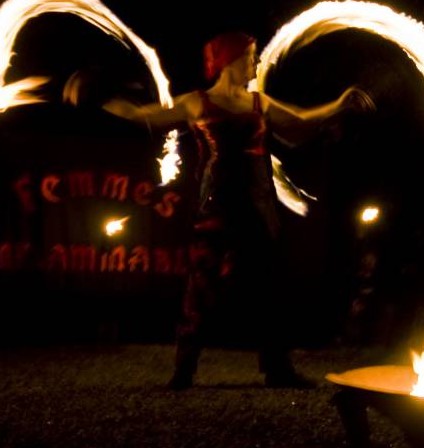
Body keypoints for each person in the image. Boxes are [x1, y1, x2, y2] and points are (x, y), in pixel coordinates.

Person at [102, 32, 375, 389]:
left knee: (269, 290)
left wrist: (339, 105)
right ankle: (183, 370)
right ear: (230, 61)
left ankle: (277, 369)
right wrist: (100, 98)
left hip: (258, 208)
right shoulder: (197, 103)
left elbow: (300, 121)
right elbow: (144, 115)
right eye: (250, 56)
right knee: (199, 289)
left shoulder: (258, 103)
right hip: (216, 207)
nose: (255, 63)